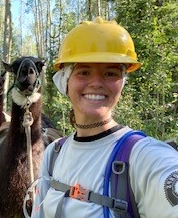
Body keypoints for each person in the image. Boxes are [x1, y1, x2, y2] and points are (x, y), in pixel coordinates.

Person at [31, 17, 178, 218]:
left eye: (110, 73)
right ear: (65, 81)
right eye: (83, 72)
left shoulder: (143, 157)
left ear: (122, 83)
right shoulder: (54, 154)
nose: (97, 83)